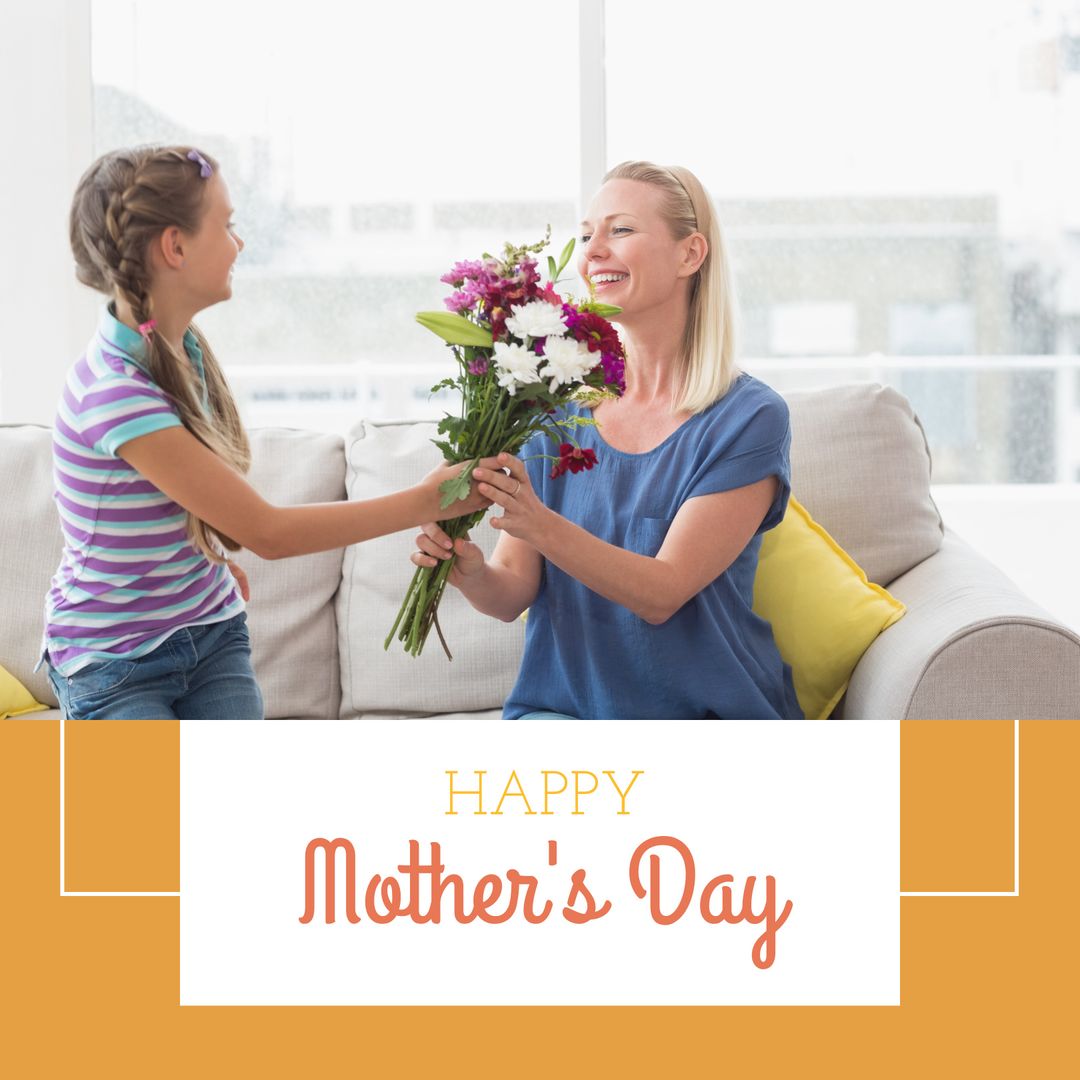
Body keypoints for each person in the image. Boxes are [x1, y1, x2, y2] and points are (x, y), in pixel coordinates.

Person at [43, 145, 493, 720]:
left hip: (210, 632)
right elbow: (268, 533)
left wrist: (195, 559)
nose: (239, 243)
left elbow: (170, 499)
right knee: (152, 814)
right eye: (226, 226)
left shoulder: (180, 349)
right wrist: (428, 500)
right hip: (115, 660)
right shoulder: (117, 394)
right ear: (175, 247)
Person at [412, 161, 802, 720]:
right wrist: (467, 570)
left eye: (619, 230)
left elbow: (662, 594)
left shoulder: (748, 418)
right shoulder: (554, 408)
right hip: (562, 713)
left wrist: (539, 523)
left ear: (690, 254)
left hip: (704, 718)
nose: (592, 251)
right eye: (586, 233)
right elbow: (512, 593)